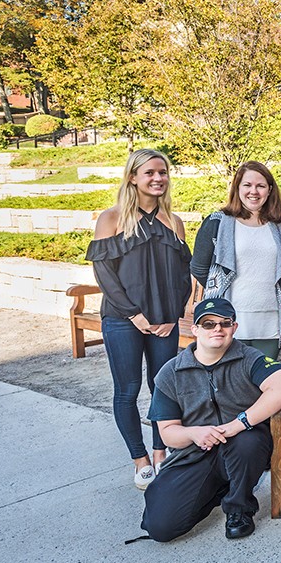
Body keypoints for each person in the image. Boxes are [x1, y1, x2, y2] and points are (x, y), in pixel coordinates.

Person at [140, 298, 281, 541]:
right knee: (161, 527)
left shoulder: (249, 358)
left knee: (247, 442)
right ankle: (218, 489)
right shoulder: (171, 373)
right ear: (195, 329)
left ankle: (239, 508)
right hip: (195, 452)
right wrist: (194, 433)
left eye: (225, 323)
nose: (217, 329)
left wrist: (237, 425)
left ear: (235, 327)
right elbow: (168, 432)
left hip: (243, 443)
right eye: (209, 324)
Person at [87, 149, 191, 490]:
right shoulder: (112, 218)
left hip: (164, 322)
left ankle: (161, 452)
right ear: (133, 177)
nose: (158, 178)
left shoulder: (174, 222)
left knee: (163, 389)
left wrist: (173, 313)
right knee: (128, 390)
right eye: (150, 173)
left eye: (162, 172)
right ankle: (140, 459)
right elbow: (104, 273)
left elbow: (181, 274)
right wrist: (134, 314)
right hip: (121, 319)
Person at [191, 161, 281, 360]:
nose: (253, 191)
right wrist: (221, 291)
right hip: (228, 320)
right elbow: (199, 267)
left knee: (265, 383)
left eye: (260, 186)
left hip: (270, 320)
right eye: (247, 185)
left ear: (269, 190)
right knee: (229, 384)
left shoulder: (280, 226)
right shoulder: (217, 222)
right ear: (237, 187)